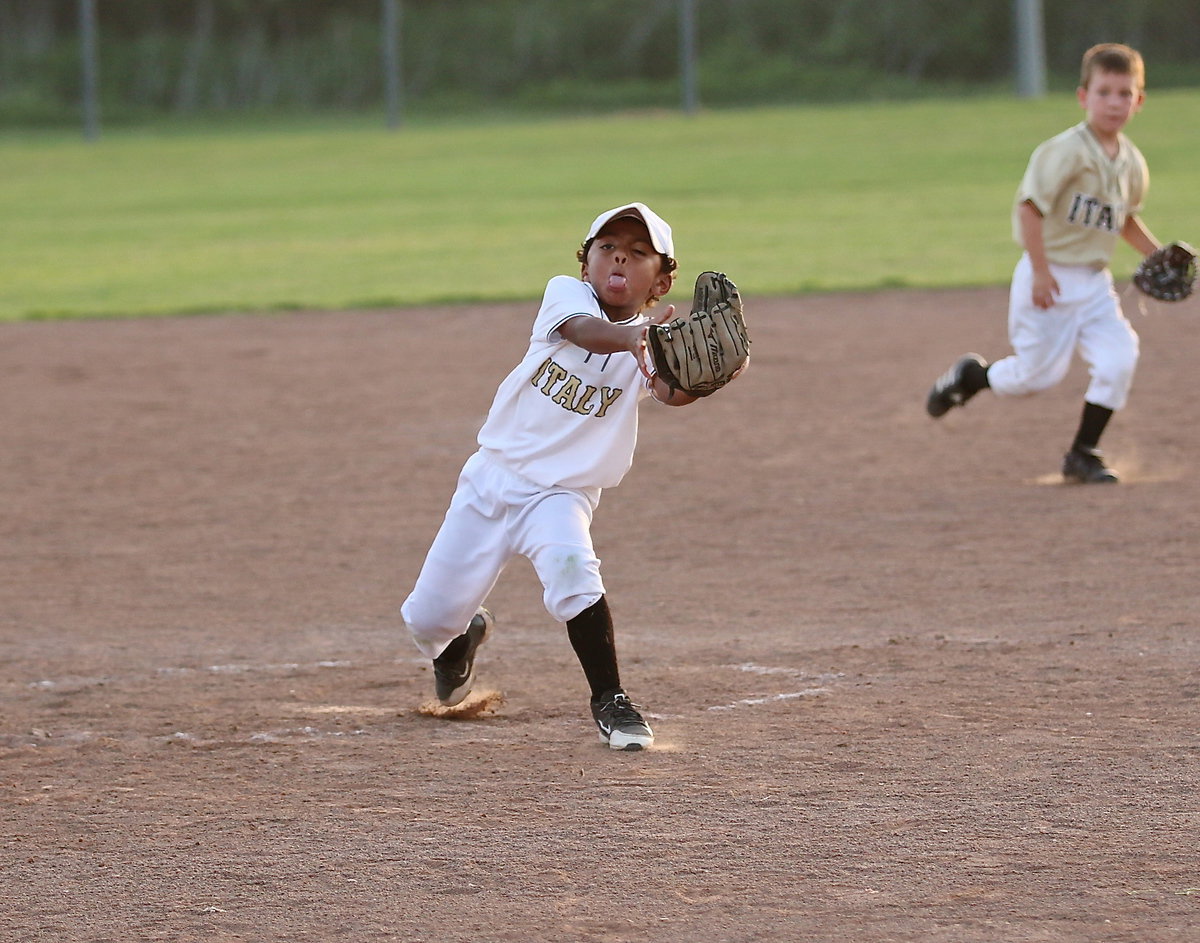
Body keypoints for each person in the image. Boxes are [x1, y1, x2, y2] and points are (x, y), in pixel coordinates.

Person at [401, 202, 701, 750]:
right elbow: (587, 334)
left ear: (661, 279)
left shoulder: (653, 342)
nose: (619, 260)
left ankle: (611, 699)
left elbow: (671, 392)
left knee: (572, 573)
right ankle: (459, 639)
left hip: (561, 494)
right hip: (492, 479)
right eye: (607, 248)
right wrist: (644, 338)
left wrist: (712, 374)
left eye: (638, 254)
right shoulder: (567, 297)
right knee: (425, 621)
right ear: (585, 263)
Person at [925, 43, 1165, 484]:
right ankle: (972, 376)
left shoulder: (1132, 162)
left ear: (1139, 101)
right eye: (1104, 91)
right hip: (1049, 275)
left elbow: (1124, 218)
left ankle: (1083, 453)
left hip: (1094, 283)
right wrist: (1039, 270)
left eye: (1124, 93)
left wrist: (1157, 254)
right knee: (1033, 378)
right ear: (1083, 96)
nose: (1114, 102)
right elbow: (1029, 209)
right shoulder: (1065, 151)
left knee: (1119, 357)